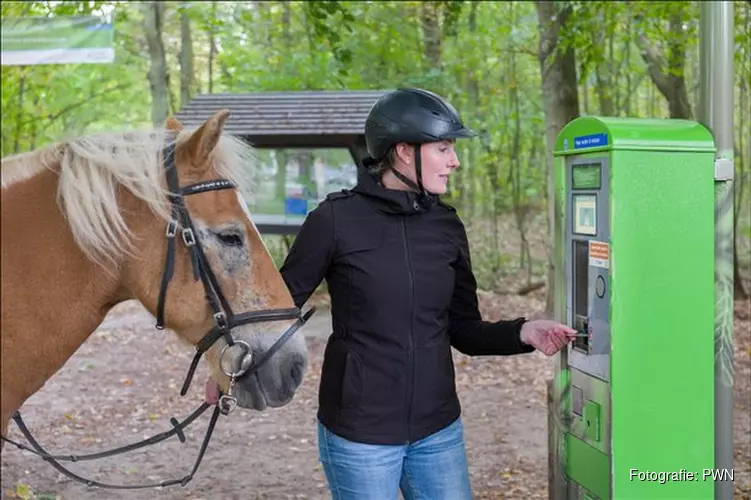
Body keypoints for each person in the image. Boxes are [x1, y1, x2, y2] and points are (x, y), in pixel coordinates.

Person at [278, 87, 576, 500]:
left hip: (437, 430)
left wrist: (524, 332)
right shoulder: (334, 220)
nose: (454, 161)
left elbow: (465, 331)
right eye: (443, 147)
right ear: (403, 151)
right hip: (360, 435)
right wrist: (226, 367)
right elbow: (274, 310)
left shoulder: (446, 227)